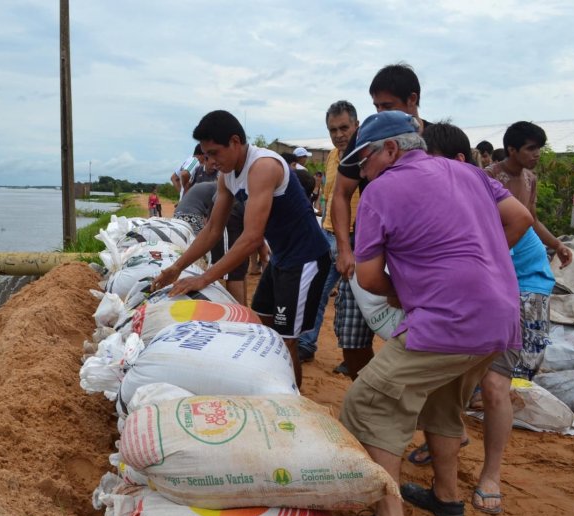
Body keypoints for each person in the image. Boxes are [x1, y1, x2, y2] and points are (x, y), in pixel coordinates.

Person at [337, 111, 532, 516]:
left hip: (448, 320)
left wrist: (409, 291)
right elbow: (519, 217)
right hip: (499, 318)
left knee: (368, 403)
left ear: (390, 149)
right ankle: (447, 498)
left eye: (363, 159)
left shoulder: (381, 190)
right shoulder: (469, 172)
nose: (361, 170)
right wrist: (479, 266)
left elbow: (367, 278)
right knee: (444, 399)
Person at [409, 121, 555, 516]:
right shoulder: (441, 193)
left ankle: (491, 475)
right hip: (488, 285)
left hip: (521, 286)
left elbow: (522, 221)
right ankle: (446, 439)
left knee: (493, 385)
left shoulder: (478, 190)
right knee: (448, 369)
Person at [151, 110, 331, 385]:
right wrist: (177, 268)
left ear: (235, 142)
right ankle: (272, 388)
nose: (210, 162)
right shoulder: (227, 176)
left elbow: (251, 237)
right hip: (281, 258)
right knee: (262, 329)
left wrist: (204, 278)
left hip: (305, 258)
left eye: (214, 153)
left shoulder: (263, 167)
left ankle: (293, 402)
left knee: (286, 342)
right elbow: (212, 229)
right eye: (206, 155)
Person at [330, 63, 428, 380]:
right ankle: (366, 391)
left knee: (423, 342)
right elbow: (341, 194)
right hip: (367, 251)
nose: (380, 114)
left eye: (387, 106)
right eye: (375, 107)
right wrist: (345, 249)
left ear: (412, 100)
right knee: (351, 334)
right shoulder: (366, 137)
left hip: (418, 256)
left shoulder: (437, 139)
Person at [298, 100, 360, 364]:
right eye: (332, 130)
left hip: (359, 241)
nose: (338, 135)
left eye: (344, 127)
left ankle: (356, 356)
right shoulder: (334, 157)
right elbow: (330, 196)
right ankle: (306, 343)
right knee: (317, 291)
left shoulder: (367, 155)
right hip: (330, 235)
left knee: (359, 302)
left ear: (356, 125)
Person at [486, 121, 572, 269]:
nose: (537, 154)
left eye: (539, 148)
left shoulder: (530, 178)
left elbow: (532, 220)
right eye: (531, 148)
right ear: (512, 150)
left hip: (520, 250)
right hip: (492, 251)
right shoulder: (489, 176)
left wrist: (558, 245)